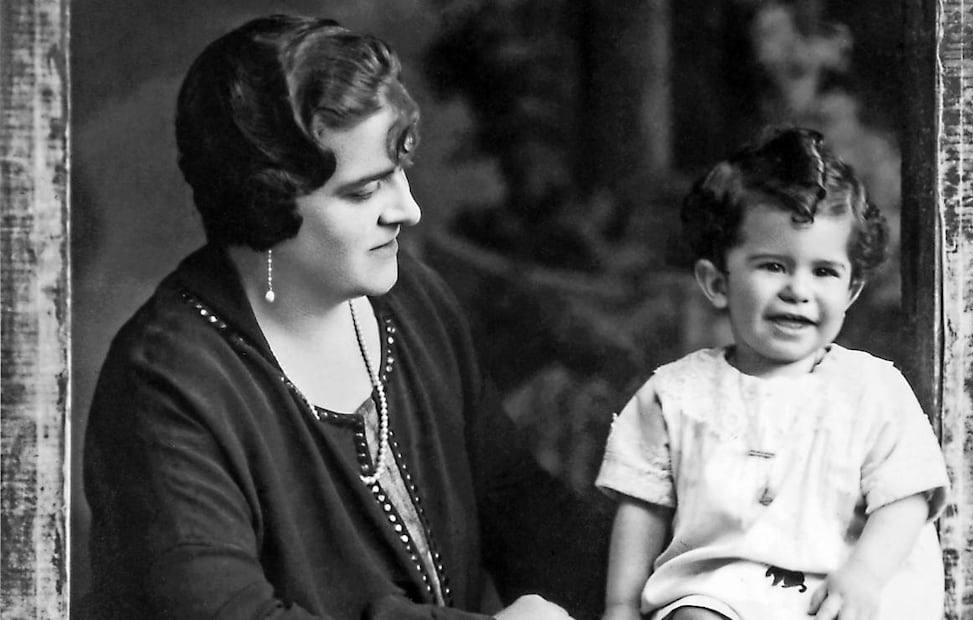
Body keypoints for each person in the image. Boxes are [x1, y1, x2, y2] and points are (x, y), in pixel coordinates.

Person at [83, 14, 607, 620]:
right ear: (267, 202)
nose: (407, 210)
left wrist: (680, 579)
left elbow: (519, 508)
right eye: (364, 191)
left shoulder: (413, 304)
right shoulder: (169, 380)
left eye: (400, 172)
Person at [595, 127, 950, 620]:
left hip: (836, 592)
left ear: (850, 292)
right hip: (723, 592)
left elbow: (907, 496)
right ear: (717, 282)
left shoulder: (873, 390)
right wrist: (619, 606)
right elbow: (642, 508)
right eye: (773, 266)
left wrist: (864, 574)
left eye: (824, 271)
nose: (798, 291)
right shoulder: (675, 394)